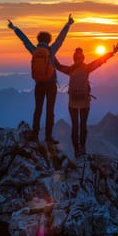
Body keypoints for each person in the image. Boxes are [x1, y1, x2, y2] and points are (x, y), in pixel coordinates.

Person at [7, 14, 74, 145]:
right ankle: (48, 137)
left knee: (38, 110)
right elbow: (61, 39)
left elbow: (24, 40)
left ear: (38, 40)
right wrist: (68, 24)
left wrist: (14, 28)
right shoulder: (51, 50)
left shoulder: (34, 50)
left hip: (39, 84)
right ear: (48, 40)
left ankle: (35, 135)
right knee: (50, 111)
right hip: (51, 85)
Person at [55, 43, 118, 157]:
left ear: (74, 58)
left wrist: (51, 54)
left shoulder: (70, 70)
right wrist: (112, 52)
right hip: (85, 102)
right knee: (83, 126)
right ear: (83, 58)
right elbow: (100, 61)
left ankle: (76, 151)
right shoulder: (87, 68)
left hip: (72, 102)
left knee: (75, 126)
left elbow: (58, 66)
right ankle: (83, 148)